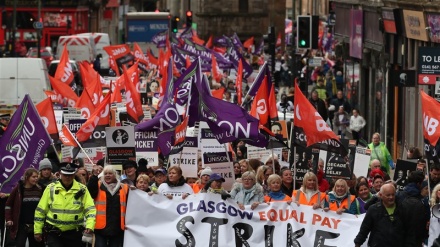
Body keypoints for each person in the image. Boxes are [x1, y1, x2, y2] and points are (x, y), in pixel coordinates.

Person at [34, 162, 96, 247]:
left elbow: (90, 209)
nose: (67, 177)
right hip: (54, 234)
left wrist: (90, 225)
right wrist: (37, 230)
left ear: (74, 175)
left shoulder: (82, 189)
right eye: (65, 175)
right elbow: (40, 211)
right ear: (60, 174)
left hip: (75, 234)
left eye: (70, 175)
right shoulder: (50, 188)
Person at [87, 165, 129, 247]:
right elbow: (91, 191)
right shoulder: (97, 185)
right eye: (105, 173)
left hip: (117, 228)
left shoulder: (124, 187)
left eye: (110, 173)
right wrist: (94, 175)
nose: (107, 175)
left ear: (115, 175)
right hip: (100, 228)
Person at [5, 168, 43, 247]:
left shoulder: (40, 189)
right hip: (21, 225)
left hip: (35, 225)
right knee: (19, 244)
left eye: (37, 177)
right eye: (33, 177)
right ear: (27, 177)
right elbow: (8, 205)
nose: (36, 179)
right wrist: (9, 219)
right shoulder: (19, 189)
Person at [397, 171, 430, 246]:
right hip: (415, 239)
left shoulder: (399, 195)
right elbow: (427, 217)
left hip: (399, 236)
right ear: (419, 184)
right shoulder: (423, 200)